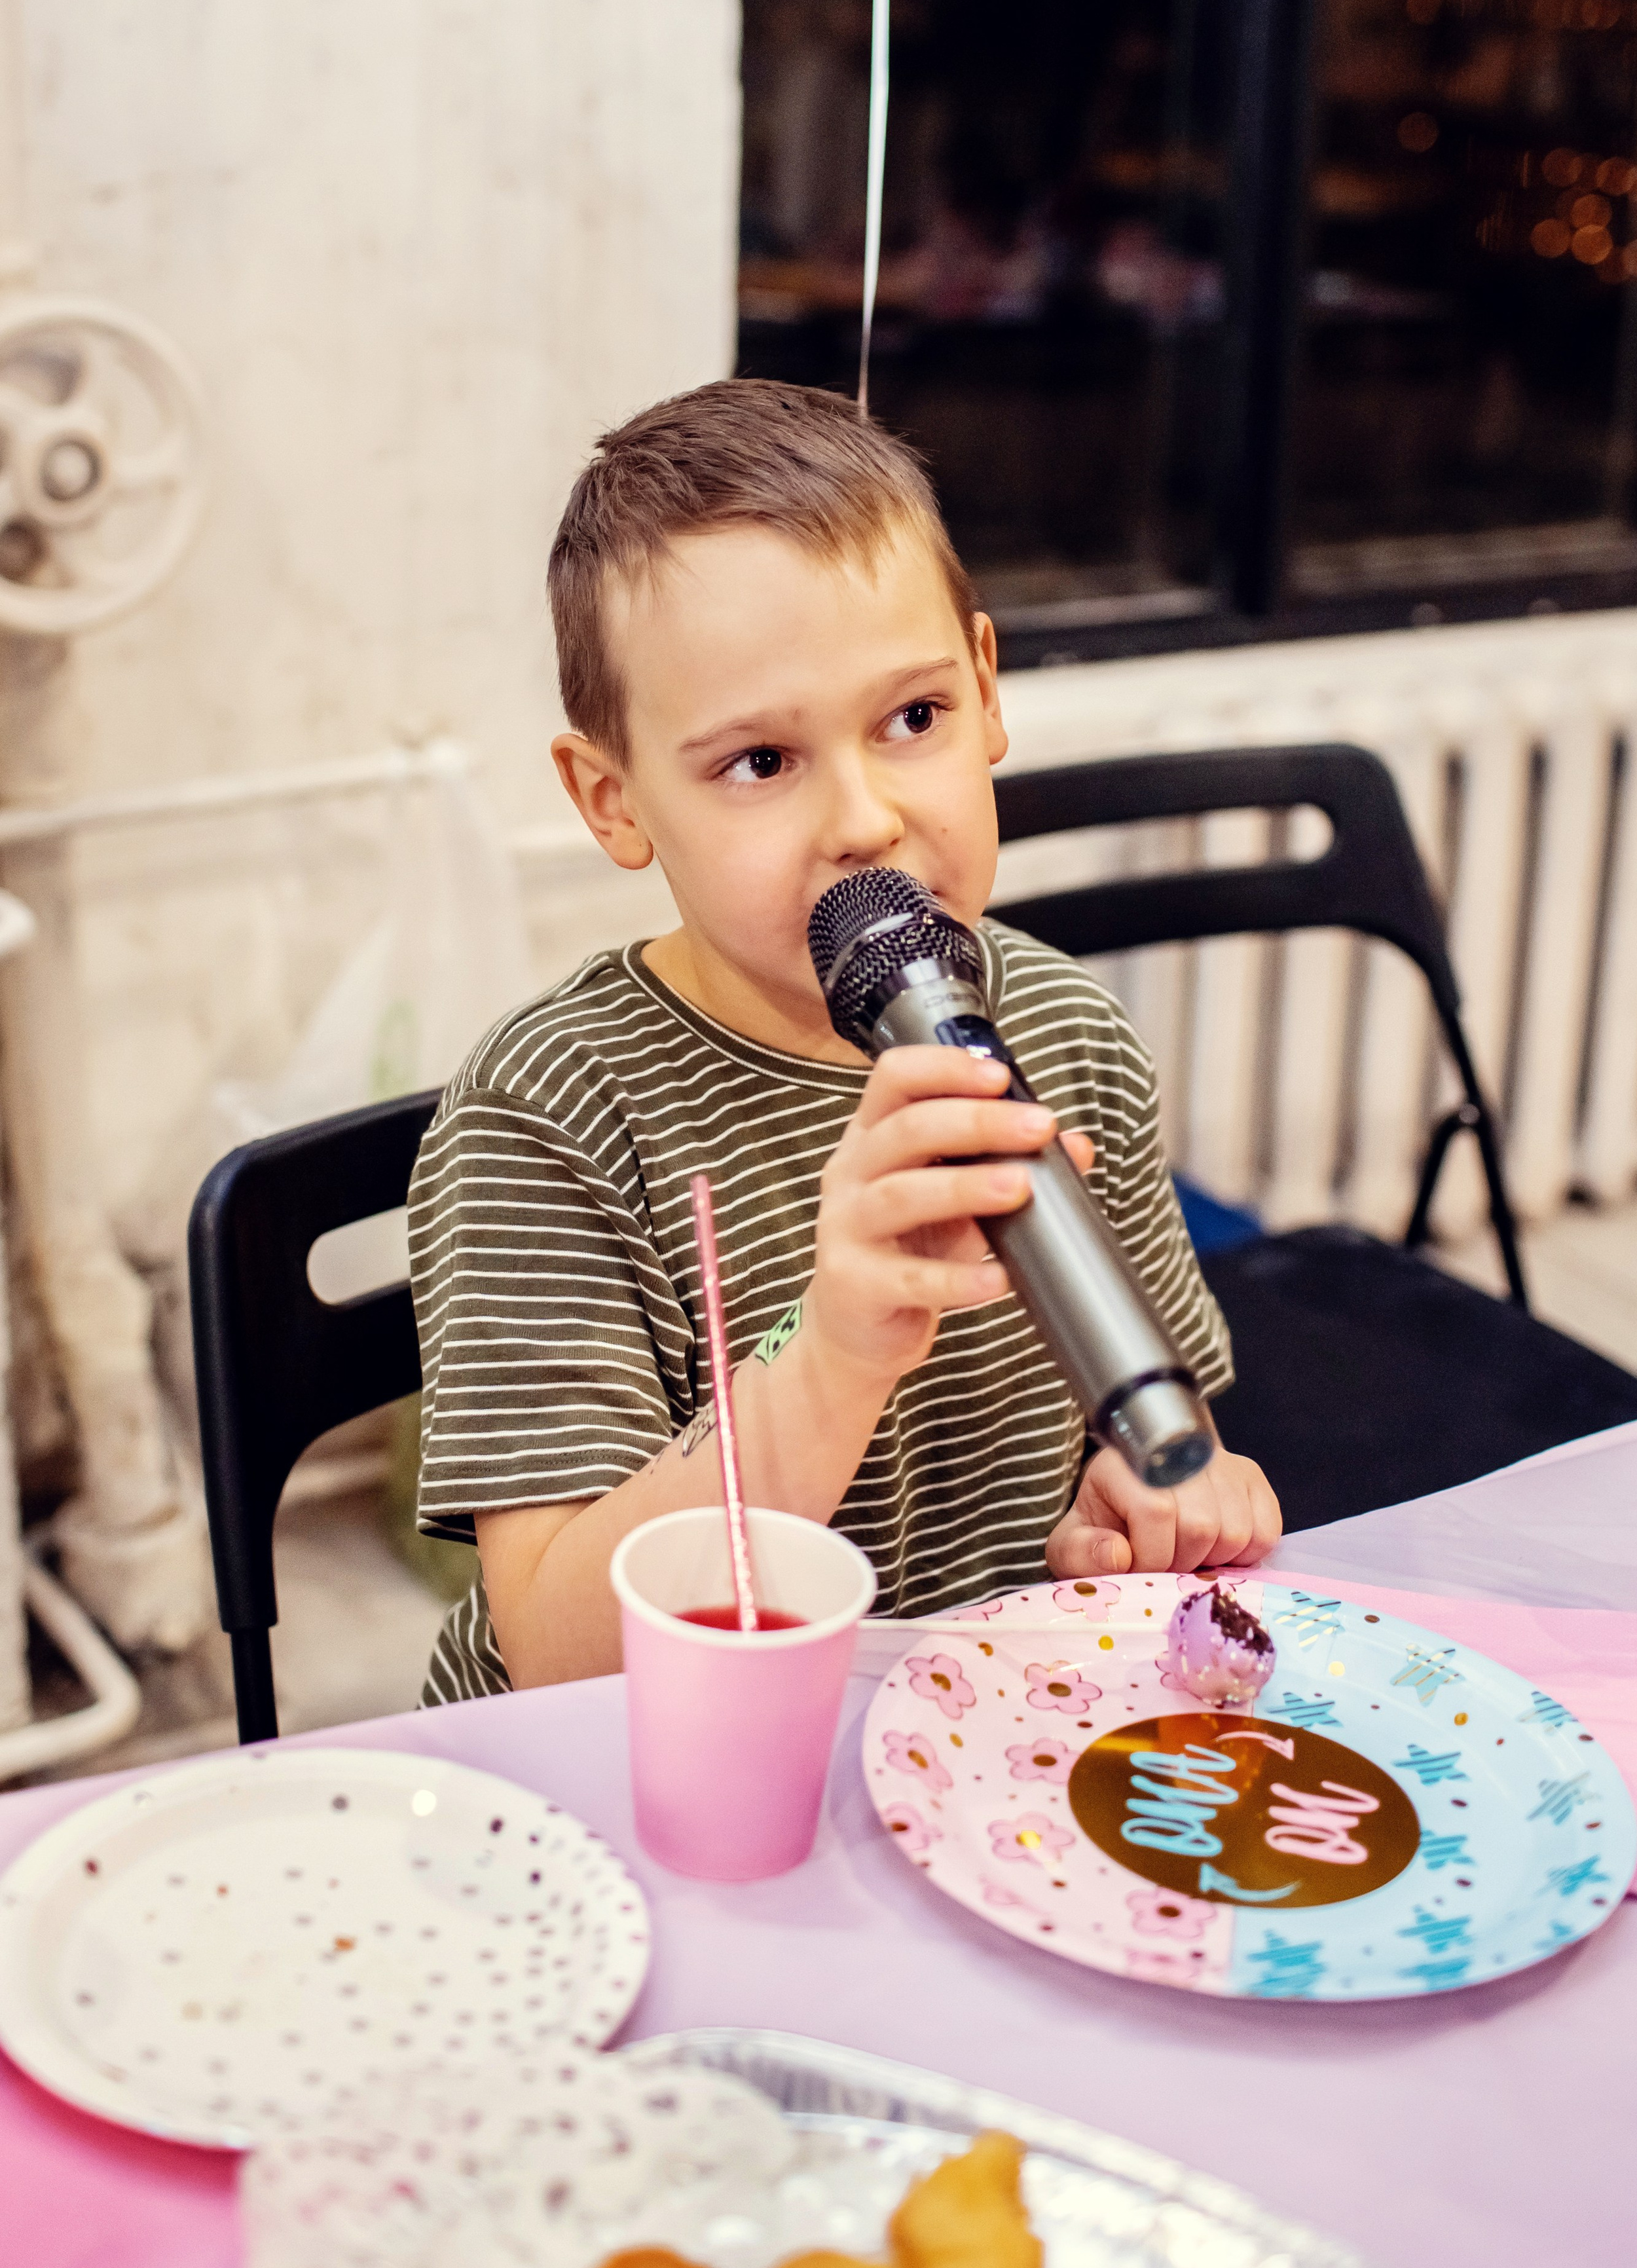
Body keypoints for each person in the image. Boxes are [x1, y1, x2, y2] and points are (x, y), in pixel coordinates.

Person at [409, 378, 1279, 1700]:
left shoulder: (1065, 1031)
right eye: (759, 762)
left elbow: (1163, 1428)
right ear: (613, 798)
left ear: (985, 694)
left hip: (946, 1733)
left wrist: (1150, 1503)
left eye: (911, 719)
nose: (865, 819)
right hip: (640, 1768)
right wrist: (831, 1354)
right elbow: (559, 1658)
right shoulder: (548, 1110)